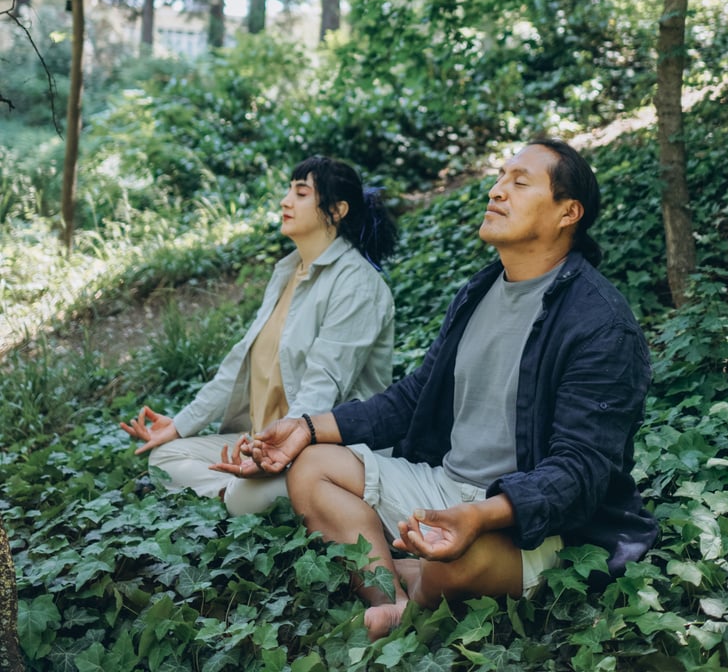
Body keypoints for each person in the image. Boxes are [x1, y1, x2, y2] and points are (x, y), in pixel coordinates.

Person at [248, 138, 658, 638]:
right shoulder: (478, 291)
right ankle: (395, 598)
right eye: (500, 178)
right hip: (445, 486)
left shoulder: (600, 324)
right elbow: (414, 396)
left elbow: (579, 471)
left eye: (519, 182)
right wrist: (306, 428)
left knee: (453, 556)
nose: (496, 191)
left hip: (534, 522)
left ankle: (410, 590)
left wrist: (480, 516)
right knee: (312, 467)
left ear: (567, 212)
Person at [121, 155, 396, 517]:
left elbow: (324, 384)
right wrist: (181, 425)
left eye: (300, 193)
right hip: (264, 439)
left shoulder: (358, 285)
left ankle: (239, 494)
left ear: (337, 209)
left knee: (245, 494)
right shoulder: (287, 273)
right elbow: (240, 363)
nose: (285, 201)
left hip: (319, 448)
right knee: (164, 457)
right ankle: (235, 490)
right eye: (289, 191)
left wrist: (276, 449)